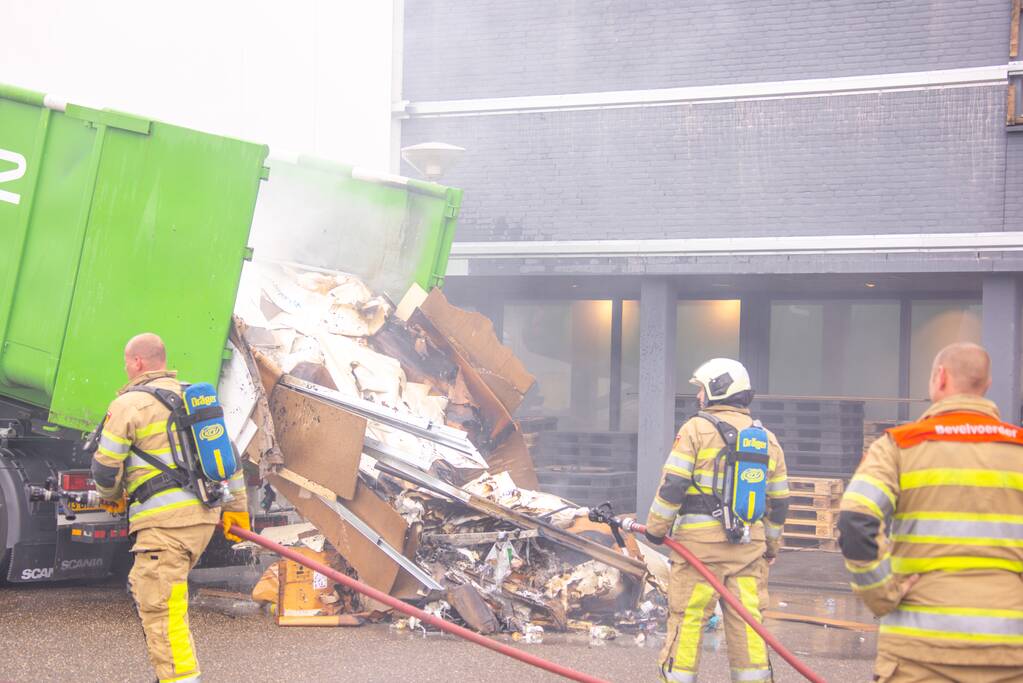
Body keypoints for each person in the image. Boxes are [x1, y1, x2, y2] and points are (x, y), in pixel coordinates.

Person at [839, 342, 1023, 683]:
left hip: (918, 655)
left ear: (940, 378)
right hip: (1009, 652)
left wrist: (882, 595)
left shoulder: (899, 446)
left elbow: (855, 520)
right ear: (986, 385)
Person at [91, 333, 249, 683]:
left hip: (165, 525)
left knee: (160, 607)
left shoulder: (130, 404)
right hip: (203, 519)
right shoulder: (193, 400)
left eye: (126, 362)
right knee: (167, 601)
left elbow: (105, 468)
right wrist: (237, 509)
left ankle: (180, 679)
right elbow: (231, 460)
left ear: (137, 363)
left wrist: (110, 495)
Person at [645, 358, 790, 683]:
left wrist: (656, 529)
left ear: (715, 390)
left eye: (700, 390)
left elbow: (674, 485)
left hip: (699, 555)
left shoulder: (695, 430)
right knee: (749, 624)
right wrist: (770, 545)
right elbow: (779, 503)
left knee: (689, 619)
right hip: (748, 554)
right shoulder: (766, 438)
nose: (698, 397)